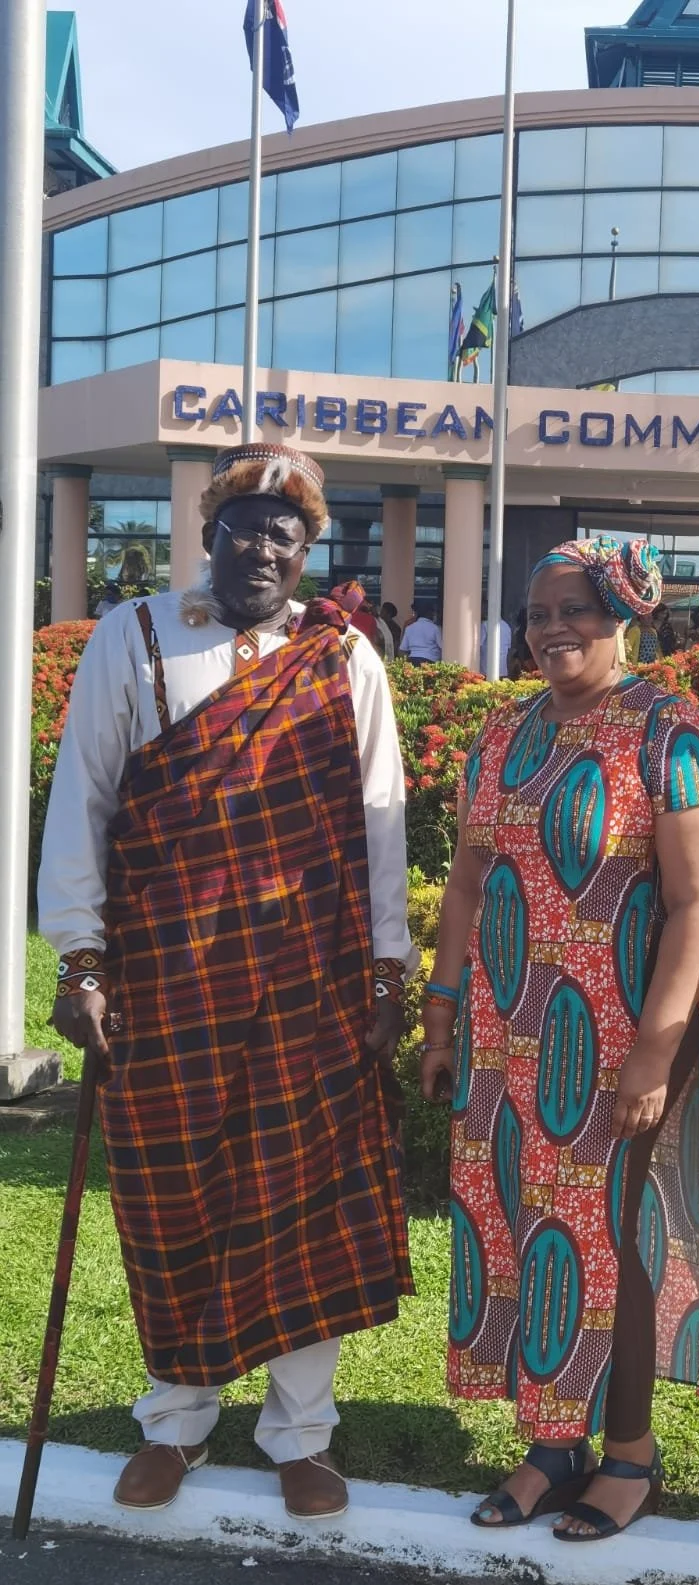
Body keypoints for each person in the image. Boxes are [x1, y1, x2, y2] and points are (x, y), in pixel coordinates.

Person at [38, 443, 418, 1522]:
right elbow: (84, 806)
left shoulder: (344, 658)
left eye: (284, 535)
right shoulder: (136, 635)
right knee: (175, 1194)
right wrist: (82, 959)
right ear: (209, 532)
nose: (261, 548)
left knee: (302, 1194)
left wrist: (389, 972)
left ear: (308, 552)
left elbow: (378, 822)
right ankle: (177, 1423)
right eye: (244, 526)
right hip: (167, 972)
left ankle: (303, 1435)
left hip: (311, 972)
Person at [421, 536, 699, 1543]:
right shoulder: (504, 730)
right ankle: (553, 1446)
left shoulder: (668, 733)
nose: (553, 627)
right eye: (538, 609)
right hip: (509, 1036)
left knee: (616, 1239)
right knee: (525, 1227)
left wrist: (652, 1050)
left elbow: (696, 904)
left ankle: (629, 1456)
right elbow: (468, 878)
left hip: (620, 1037)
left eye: (575, 609)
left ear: (623, 611)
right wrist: (442, 1007)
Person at [400, 598, 443, 664]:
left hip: (412, 662)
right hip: (430, 663)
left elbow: (403, 649)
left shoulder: (409, 628)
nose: (434, 614)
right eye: (433, 612)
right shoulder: (435, 628)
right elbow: (442, 647)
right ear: (429, 613)